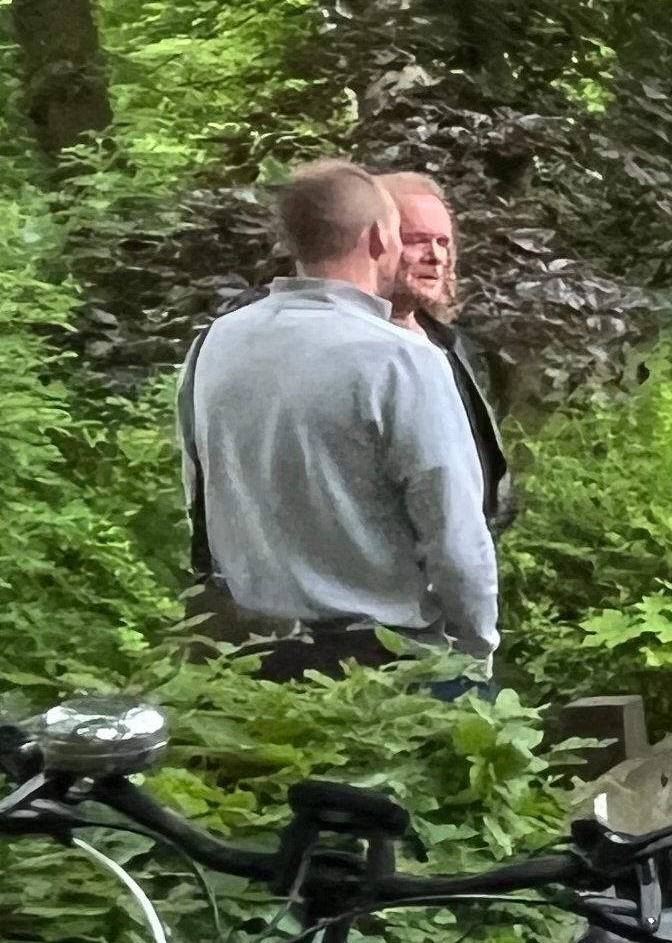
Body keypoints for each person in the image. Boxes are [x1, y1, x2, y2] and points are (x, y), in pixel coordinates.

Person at [176, 160, 497, 681]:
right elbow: (456, 540)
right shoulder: (402, 360)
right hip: (384, 668)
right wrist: (476, 651)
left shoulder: (214, 343)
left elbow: (200, 499)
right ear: (378, 239)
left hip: (247, 660)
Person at [370, 171, 517, 532]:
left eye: (442, 242)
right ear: (373, 245)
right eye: (416, 240)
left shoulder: (449, 344)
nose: (436, 256)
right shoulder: (348, 346)